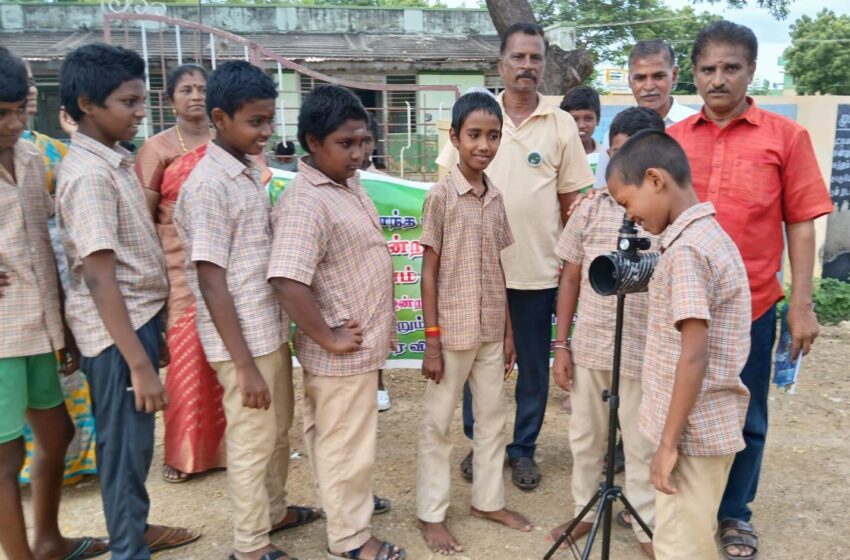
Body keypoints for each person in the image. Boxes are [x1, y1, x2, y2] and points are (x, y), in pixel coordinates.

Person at [667, 21, 834, 560]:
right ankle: (678, 503)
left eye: (730, 68)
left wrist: (801, 304)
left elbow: (802, 222)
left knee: (747, 415)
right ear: (693, 74)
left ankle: (734, 513)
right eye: (708, 69)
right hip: (683, 308)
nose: (718, 80)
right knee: (680, 408)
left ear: (751, 71)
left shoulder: (786, 139)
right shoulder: (673, 142)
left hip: (755, 307)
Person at [56, 43, 200, 559]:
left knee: (134, 447)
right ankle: (128, 548)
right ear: (89, 104)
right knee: (123, 451)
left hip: (134, 325)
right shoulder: (90, 176)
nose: (140, 111)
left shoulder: (112, 161)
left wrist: (150, 337)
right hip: (117, 337)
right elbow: (99, 278)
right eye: (129, 102)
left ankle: (133, 531)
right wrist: (138, 363)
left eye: (140, 100)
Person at [173, 60, 320, 560]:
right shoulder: (209, 185)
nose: (265, 132)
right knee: (253, 440)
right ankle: (249, 546)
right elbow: (211, 281)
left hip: (267, 329)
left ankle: (274, 512)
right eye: (255, 122)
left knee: (276, 431)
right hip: (242, 346)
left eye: (268, 120)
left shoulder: (244, 173)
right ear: (219, 117)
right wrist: (241, 366)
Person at [438, 22, 595, 490]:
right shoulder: (477, 115)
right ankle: (479, 444)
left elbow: (574, 201)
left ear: (543, 65)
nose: (527, 66)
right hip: (478, 275)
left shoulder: (560, 122)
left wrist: (574, 267)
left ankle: (522, 449)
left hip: (538, 274)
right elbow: (448, 190)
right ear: (501, 63)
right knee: (476, 368)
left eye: (535, 58)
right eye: (518, 57)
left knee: (531, 369)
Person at [269, 84, 405, 560]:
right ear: (312, 142)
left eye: (362, 142)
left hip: (355, 351)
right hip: (338, 355)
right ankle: (351, 539)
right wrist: (327, 336)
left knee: (340, 441)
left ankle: (349, 507)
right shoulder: (306, 202)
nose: (358, 152)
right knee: (344, 445)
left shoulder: (347, 185)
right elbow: (287, 280)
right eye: (345, 144)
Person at [605, 129, 751, 560]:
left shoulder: (686, 251)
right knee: (688, 536)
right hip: (702, 428)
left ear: (655, 179)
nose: (630, 217)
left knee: (678, 548)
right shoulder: (708, 236)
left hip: (691, 436)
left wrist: (667, 446)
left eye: (627, 202)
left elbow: (694, 353)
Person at [0, 45, 108, 560]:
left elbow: (46, 240)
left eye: (19, 110)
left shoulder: (30, 154)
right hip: (1, 334)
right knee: (5, 456)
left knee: (58, 431)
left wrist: (63, 328)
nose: (13, 122)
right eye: (2, 115)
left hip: (40, 321)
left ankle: (47, 540)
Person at [546, 107, 666, 560]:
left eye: (631, 159)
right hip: (593, 345)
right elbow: (571, 278)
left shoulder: (667, 217)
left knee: (640, 443)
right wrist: (561, 345)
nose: (621, 169)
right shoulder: (591, 207)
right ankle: (585, 511)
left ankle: (644, 524)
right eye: (615, 155)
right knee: (586, 437)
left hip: (644, 351)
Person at [417, 91, 532, 555]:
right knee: (438, 424)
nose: (484, 145)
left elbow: (498, 266)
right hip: (451, 333)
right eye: (474, 136)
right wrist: (431, 339)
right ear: (455, 138)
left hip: (488, 331)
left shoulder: (496, 196)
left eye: (493, 136)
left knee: (491, 421)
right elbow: (427, 270)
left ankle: (487, 501)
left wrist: (507, 332)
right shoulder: (441, 196)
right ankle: (431, 514)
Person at [135, 63, 227, 484]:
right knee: (187, 357)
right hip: (176, 265)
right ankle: (184, 454)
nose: (195, 96)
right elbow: (143, 215)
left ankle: (226, 450)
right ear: (170, 99)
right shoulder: (156, 149)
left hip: (224, 260)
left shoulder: (227, 143)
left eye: (202, 88)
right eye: (186, 89)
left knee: (225, 356)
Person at [18, 57, 98, 486]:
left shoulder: (48, 152)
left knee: (67, 390)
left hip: (59, 283)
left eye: (31, 84)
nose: (29, 91)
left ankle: (78, 463)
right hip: (15, 299)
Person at [594, 39, 698, 187]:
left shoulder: (694, 125)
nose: (649, 86)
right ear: (630, 81)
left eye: (658, 76)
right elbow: (602, 187)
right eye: (640, 78)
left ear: (674, 75)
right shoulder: (615, 133)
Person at [560, 85, 603, 172]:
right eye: (574, 119)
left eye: (588, 119)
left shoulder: (605, 156)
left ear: (597, 120)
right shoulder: (555, 156)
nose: (581, 126)